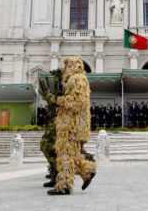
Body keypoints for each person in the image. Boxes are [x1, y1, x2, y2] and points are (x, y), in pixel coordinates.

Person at [49, 57, 96, 196]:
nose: (65, 69)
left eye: (68, 66)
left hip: (71, 125)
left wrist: (57, 100)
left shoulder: (77, 79)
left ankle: (64, 186)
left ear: (74, 66)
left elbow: (77, 103)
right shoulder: (74, 79)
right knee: (72, 153)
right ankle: (87, 171)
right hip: (70, 124)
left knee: (65, 153)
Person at [40, 68, 62, 187]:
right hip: (53, 125)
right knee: (49, 149)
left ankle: (87, 171)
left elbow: (56, 101)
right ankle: (55, 174)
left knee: (48, 148)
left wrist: (46, 92)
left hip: (58, 126)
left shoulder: (70, 87)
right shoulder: (59, 88)